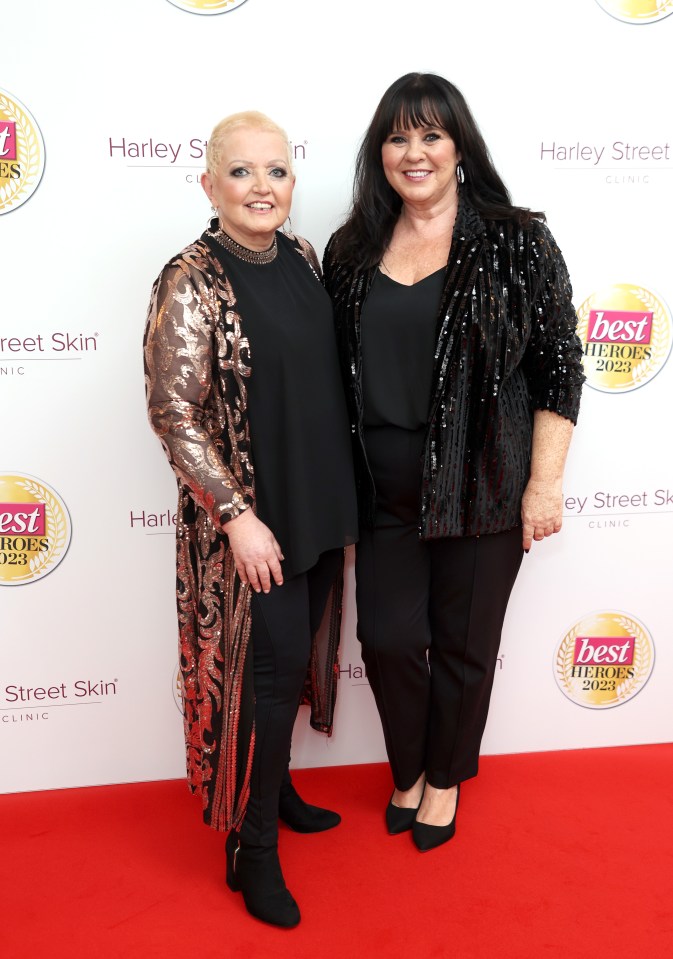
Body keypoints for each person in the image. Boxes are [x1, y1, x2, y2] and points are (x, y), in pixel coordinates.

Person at [323, 73, 585, 853]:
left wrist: (544, 482)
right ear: (380, 153)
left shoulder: (516, 239)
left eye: (430, 135)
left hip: (485, 482)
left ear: (459, 147)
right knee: (388, 641)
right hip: (380, 487)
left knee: (464, 644)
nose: (414, 151)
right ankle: (407, 765)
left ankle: (442, 779)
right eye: (397, 137)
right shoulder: (352, 247)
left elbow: (559, 367)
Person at [144, 111, 358, 926]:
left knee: (296, 660)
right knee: (265, 678)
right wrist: (235, 515)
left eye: (276, 171)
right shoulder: (189, 278)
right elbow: (173, 412)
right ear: (209, 183)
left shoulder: (301, 257)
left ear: (291, 185)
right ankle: (251, 847)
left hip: (312, 495)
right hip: (251, 517)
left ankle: (278, 784)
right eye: (240, 172)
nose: (261, 187)